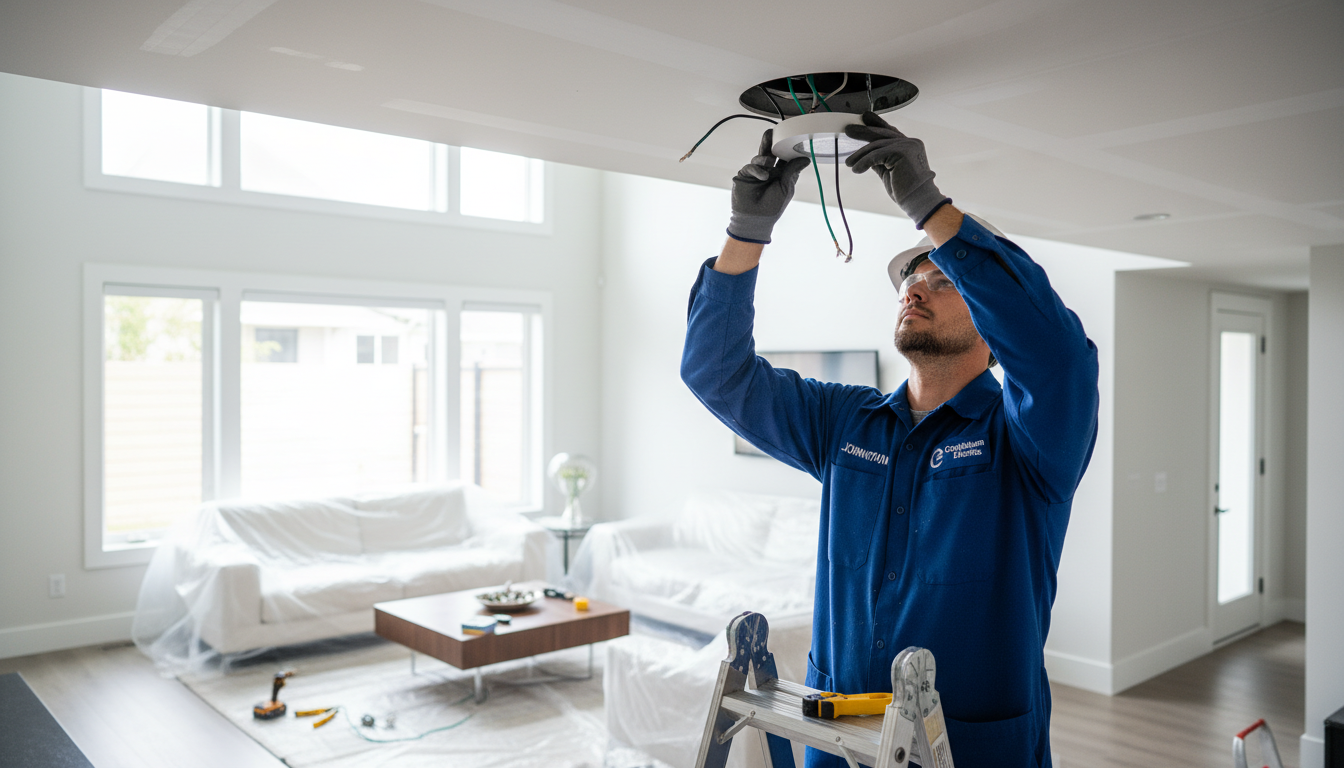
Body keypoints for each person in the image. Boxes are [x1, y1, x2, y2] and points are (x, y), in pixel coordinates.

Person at [680, 112, 1100, 768]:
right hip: (839, 733)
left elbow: (1058, 357)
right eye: (909, 283)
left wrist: (926, 203)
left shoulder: (1028, 441)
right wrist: (747, 232)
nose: (915, 292)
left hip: (967, 745)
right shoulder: (844, 425)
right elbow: (716, 372)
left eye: (943, 281)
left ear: (993, 325)